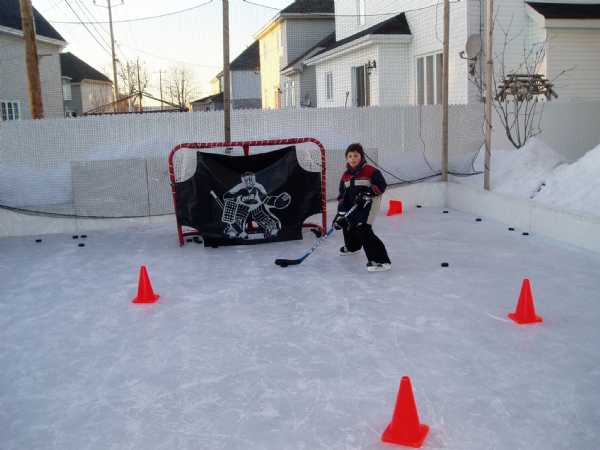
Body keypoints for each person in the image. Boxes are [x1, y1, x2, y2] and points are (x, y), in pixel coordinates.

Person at [334, 143, 391, 272]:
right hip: (353, 206)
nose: (353, 158)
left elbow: (381, 185)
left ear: (361, 156)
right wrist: (340, 214)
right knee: (347, 223)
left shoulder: (371, 171)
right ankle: (353, 247)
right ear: (346, 158)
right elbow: (342, 195)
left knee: (363, 228)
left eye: (356, 155)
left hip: (369, 204)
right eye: (350, 156)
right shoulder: (345, 176)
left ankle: (381, 260)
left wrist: (368, 193)